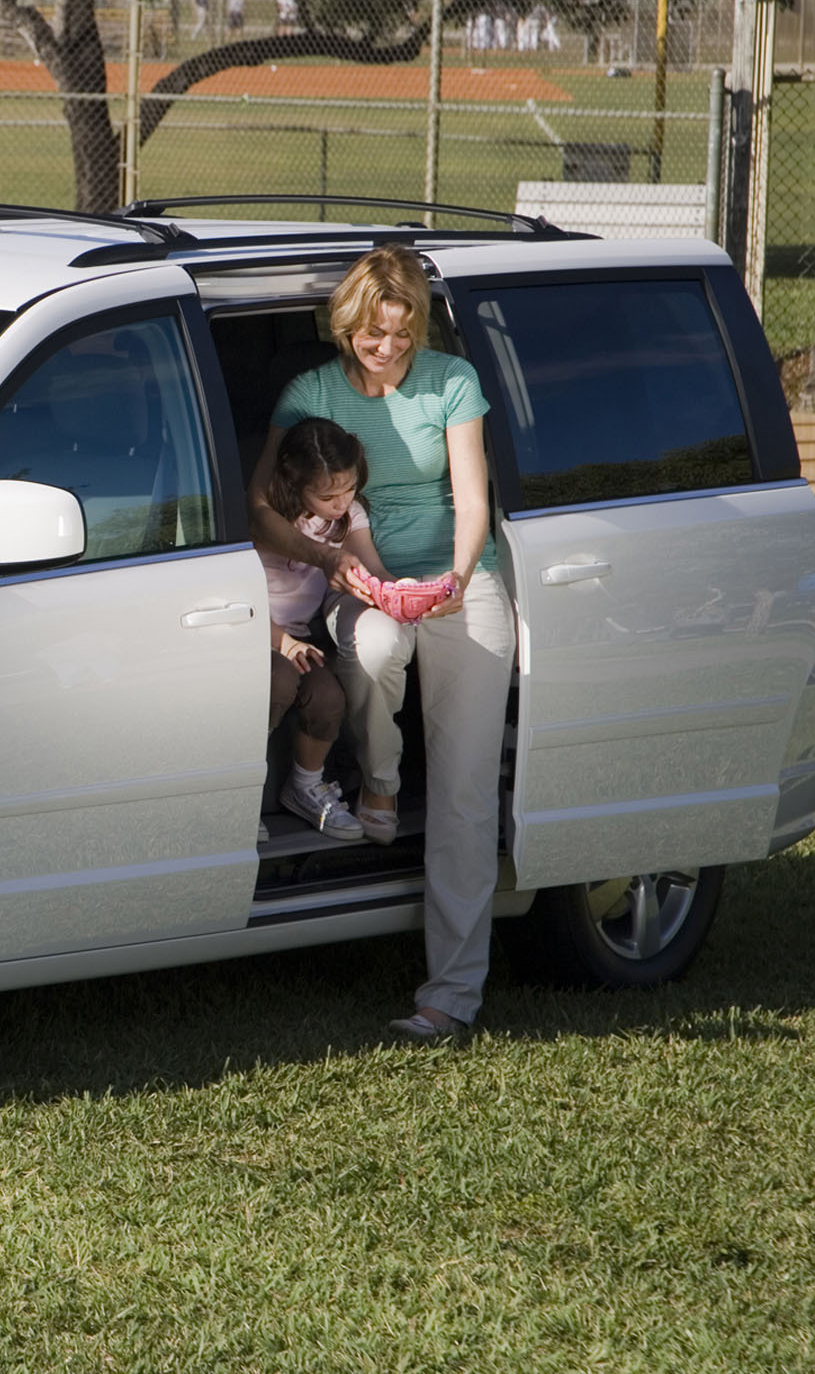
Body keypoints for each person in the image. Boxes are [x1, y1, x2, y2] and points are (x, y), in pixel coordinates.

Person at [251, 246, 513, 1040]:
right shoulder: (310, 394)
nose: (390, 349)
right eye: (374, 334)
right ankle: (381, 780)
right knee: (374, 651)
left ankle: (451, 996)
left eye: (403, 334)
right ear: (346, 326)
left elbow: (473, 501)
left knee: (467, 794)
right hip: (358, 580)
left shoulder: (451, 383)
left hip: (459, 583)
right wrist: (334, 562)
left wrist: (458, 578)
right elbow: (261, 508)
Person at [257, 417, 369, 841]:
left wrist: (399, 591)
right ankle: (245, 791)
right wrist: (281, 643)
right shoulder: (268, 521)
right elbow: (239, 599)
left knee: (327, 696)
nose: (341, 503)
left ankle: (305, 786)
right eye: (327, 495)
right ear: (294, 486)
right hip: (249, 631)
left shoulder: (346, 517)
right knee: (279, 679)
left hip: (296, 639)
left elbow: (368, 564)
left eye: (349, 489)